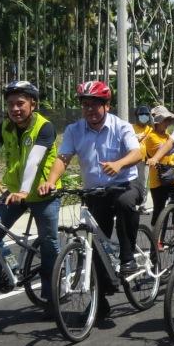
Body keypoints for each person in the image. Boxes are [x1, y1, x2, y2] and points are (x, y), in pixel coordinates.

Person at [39, 81, 145, 322]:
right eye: (85, 105)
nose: (89, 110)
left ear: (106, 105)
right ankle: (101, 302)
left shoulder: (121, 126)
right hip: (96, 191)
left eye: (95, 105)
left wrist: (118, 164)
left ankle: (128, 258)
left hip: (126, 183)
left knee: (125, 203)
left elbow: (137, 153)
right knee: (93, 244)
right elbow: (63, 158)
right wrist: (51, 181)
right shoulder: (75, 130)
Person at [0, 81, 62, 304]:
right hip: (15, 192)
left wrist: (25, 191)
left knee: (49, 244)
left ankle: (52, 294)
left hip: (43, 193)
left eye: (20, 103)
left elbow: (33, 161)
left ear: (33, 104)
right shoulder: (6, 125)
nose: (15, 109)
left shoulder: (44, 127)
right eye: (10, 104)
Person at [140, 105, 174, 223]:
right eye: (165, 120)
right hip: (158, 180)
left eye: (169, 120)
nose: (168, 123)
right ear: (157, 122)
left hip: (171, 177)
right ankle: (155, 237)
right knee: (159, 210)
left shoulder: (167, 136)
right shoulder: (151, 137)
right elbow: (164, 150)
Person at [132, 105, 153, 211]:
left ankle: (142, 204)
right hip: (133, 161)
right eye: (141, 114)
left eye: (146, 115)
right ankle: (133, 202)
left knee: (143, 183)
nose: (143, 116)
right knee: (133, 181)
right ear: (137, 116)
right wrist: (135, 137)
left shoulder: (150, 129)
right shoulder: (131, 128)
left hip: (145, 160)